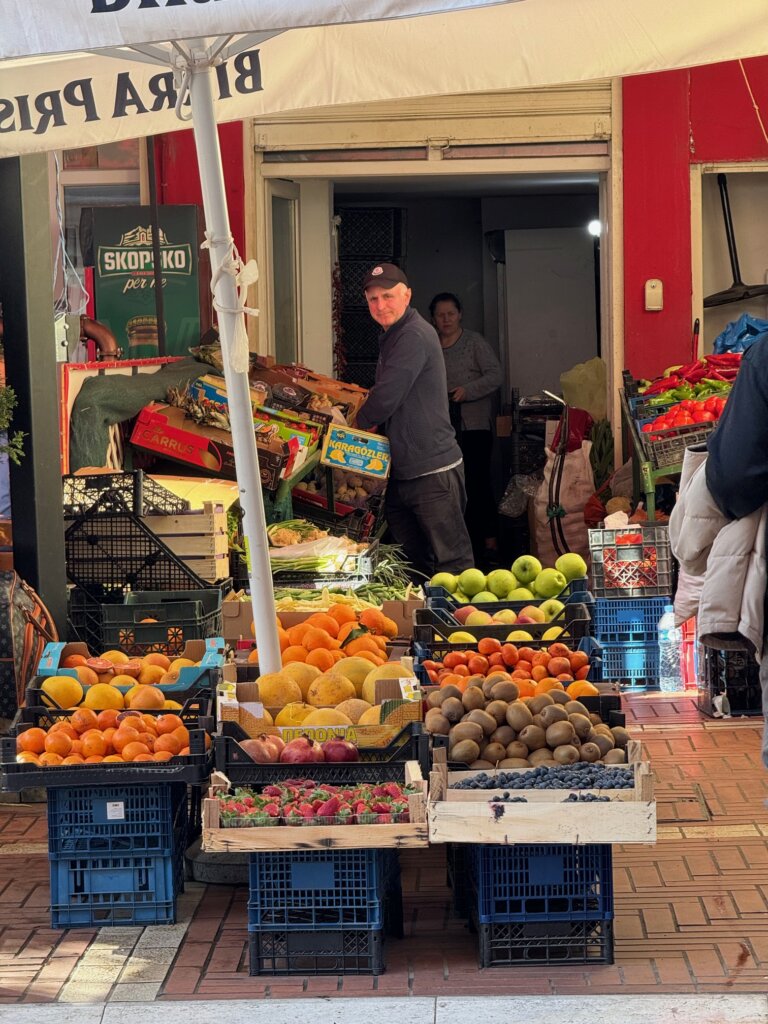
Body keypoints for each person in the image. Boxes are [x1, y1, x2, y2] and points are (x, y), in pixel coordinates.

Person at [355, 263, 474, 578]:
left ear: (407, 295)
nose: (381, 305)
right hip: (405, 471)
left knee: (453, 563)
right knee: (414, 566)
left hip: (432, 472)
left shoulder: (413, 335)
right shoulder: (395, 334)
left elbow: (386, 397)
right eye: (373, 299)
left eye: (388, 296)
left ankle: (462, 623)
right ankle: (423, 623)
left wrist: (350, 424)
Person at [429, 292, 502, 564]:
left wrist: (467, 391)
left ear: (459, 314)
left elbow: (496, 374)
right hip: (442, 431)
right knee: (451, 488)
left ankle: (490, 544)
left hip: (474, 427)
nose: (446, 319)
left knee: (478, 484)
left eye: (451, 313)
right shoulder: (431, 344)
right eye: (440, 315)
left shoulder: (474, 342)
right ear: (433, 319)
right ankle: (460, 546)